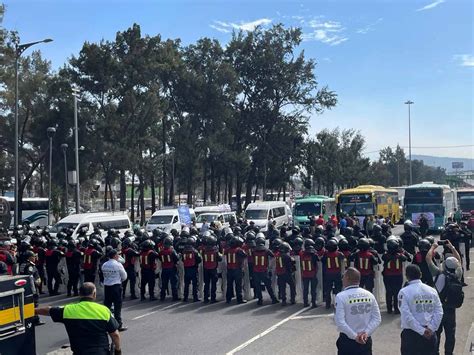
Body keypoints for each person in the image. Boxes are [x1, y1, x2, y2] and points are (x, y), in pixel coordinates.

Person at [36, 283, 122, 355]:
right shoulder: (104, 310)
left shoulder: (68, 310)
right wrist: (118, 350)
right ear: (94, 294)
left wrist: (33, 310)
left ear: (80, 294)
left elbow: (48, 310)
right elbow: (115, 334)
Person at [426, 240, 463, 355]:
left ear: (444, 265)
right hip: (451, 309)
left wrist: (433, 247)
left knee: (436, 333)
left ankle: (435, 352)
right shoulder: (458, 274)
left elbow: (428, 259)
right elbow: (459, 261)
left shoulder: (438, 274)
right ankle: (448, 353)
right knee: (450, 334)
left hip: (438, 310)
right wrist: (452, 247)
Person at [334, 267, 381, 355]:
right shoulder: (369, 295)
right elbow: (377, 318)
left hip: (347, 340)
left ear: (347, 278)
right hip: (365, 339)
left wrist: (355, 336)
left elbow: (339, 321)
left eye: (343, 276)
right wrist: (366, 333)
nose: (342, 279)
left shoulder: (340, 296)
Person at [398, 264, 443, 355]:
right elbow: (439, 312)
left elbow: (406, 316)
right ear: (421, 274)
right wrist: (431, 328)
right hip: (430, 333)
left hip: (411, 335)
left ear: (406, 276)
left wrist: (421, 331)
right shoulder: (432, 290)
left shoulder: (404, 292)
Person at [101, 249, 127, 332]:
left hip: (107, 287)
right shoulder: (118, 264)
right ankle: (118, 325)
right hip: (116, 286)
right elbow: (124, 276)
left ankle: (105, 324)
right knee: (117, 307)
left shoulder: (104, 264)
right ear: (115, 256)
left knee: (107, 307)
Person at [252, 234, 279, 305]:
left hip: (256, 270)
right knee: (268, 286)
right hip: (264, 270)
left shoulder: (253, 251)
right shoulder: (266, 250)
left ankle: (260, 300)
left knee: (258, 286)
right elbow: (273, 255)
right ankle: (273, 299)